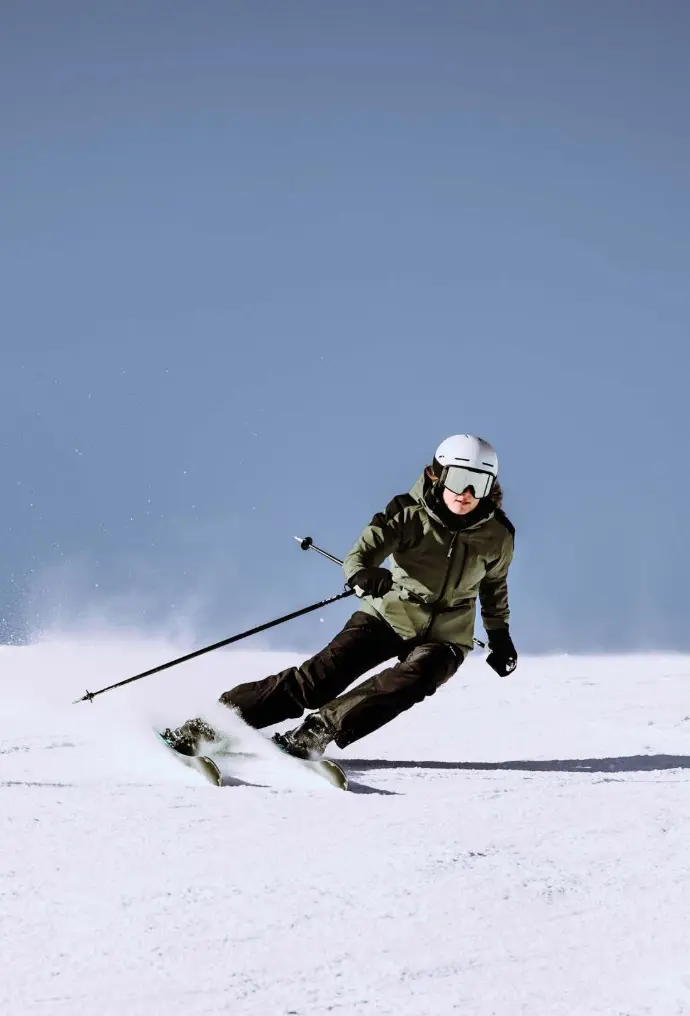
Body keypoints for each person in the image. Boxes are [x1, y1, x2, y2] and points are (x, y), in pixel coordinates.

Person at [162, 434, 517, 760]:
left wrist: (500, 638)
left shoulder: (498, 534)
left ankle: (314, 733)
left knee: (414, 679)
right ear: (437, 474)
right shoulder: (407, 511)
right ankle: (213, 725)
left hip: (447, 635)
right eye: (458, 478)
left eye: (478, 483)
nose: (465, 492)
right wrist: (363, 573)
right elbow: (362, 553)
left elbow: (494, 587)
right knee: (318, 682)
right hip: (387, 614)